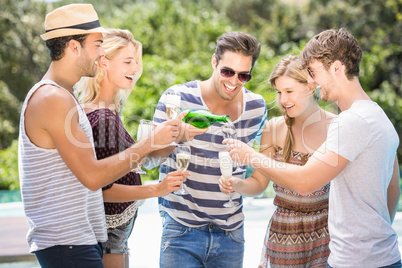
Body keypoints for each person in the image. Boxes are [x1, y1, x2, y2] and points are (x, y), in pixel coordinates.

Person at [18, 4, 184, 267]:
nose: (100, 54)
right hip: (67, 244)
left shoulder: (63, 96)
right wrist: (150, 144)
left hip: (76, 242)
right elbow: (94, 177)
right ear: (74, 47)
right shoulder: (52, 98)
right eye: (97, 45)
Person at [223, 28, 401, 267]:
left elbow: (305, 182)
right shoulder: (378, 116)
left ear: (336, 68)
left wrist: (251, 156)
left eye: (313, 72)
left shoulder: (350, 122)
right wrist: (377, 236)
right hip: (374, 256)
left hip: (358, 261)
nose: (311, 80)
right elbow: (392, 188)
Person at [151, 31, 268, 267]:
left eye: (243, 75)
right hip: (181, 230)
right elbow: (149, 160)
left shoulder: (256, 107)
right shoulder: (177, 97)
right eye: (227, 71)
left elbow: (258, 172)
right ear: (214, 62)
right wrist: (176, 136)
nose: (234, 81)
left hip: (231, 235)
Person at [75, 28, 190, 268]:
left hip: (116, 234)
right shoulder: (103, 117)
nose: (136, 69)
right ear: (104, 62)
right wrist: (156, 189)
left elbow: (132, 163)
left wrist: (175, 137)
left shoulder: (102, 110)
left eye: (136, 62)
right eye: (128, 61)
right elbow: (104, 190)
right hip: (111, 235)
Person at [220, 55, 334, 267]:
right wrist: (237, 185)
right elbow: (259, 184)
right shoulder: (273, 128)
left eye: (289, 91)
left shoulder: (336, 127)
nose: (282, 100)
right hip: (283, 238)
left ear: (311, 87)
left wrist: (252, 156)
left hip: (328, 237)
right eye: (279, 92)